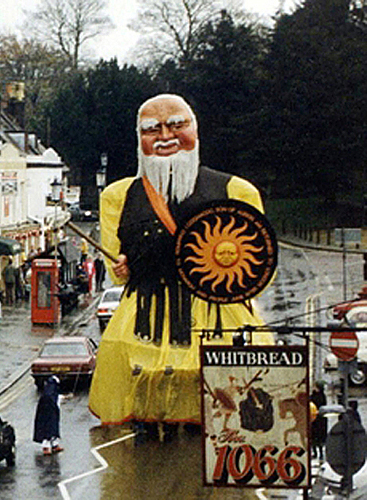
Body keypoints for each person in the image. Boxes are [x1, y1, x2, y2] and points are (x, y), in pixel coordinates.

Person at [89, 94, 274, 429]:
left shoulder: (237, 190)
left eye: (177, 125)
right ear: (139, 138)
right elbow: (117, 276)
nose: (165, 136)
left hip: (220, 321)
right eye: (152, 129)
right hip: (143, 323)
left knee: (232, 421)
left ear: (195, 130)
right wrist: (124, 266)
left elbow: (261, 270)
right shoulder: (116, 196)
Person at [33, 376, 64, 455]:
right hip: (48, 410)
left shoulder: (52, 384)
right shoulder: (52, 385)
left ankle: (54, 445)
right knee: (48, 429)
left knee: (54, 427)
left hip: (52, 409)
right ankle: (46, 447)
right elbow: (50, 396)